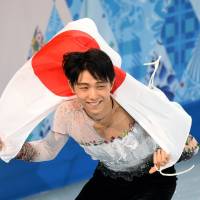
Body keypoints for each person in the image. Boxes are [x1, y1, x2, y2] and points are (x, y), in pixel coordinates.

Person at [0, 48, 199, 200]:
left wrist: (170, 154)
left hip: (154, 181)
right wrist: (12, 148)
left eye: (100, 86)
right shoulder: (68, 113)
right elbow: (47, 150)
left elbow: (192, 145)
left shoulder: (137, 105)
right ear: (72, 86)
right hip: (109, 180)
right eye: (84, 87)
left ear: (111, 84)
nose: (92, 96)